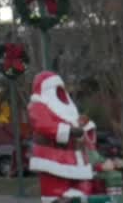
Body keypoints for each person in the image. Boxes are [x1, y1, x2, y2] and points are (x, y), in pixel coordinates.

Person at [26, 72, 96, 202]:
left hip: (75, 159)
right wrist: (69, 131)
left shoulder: (70, 110)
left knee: (83, 192)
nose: (61, 94)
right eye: (56, 90)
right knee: (55, 193)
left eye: (61, 90)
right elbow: (43, 125)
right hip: (51, 158)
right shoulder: (38, 105)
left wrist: (85, 130)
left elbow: (81, 128)